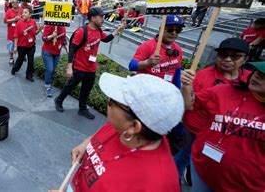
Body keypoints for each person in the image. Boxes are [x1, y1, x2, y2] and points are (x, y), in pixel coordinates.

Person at [67, 73, 183, 191]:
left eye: (112, 101)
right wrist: (87, 143)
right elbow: (106, 129)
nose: (108, 101)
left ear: (134, 126)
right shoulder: (124, 126)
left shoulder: (157, 184)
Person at [180, 61, 265, 191]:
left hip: (244, 186)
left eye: (264, 76)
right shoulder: (224, 90)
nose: (257, 76)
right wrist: (186, 86)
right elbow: (188, 104)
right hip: (202, 170)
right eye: (257, 72)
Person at [177, 38, 251, 185]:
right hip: (195, 129)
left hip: (227, 134)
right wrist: (186, 86)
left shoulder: (251, 79)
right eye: (223, 55)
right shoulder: (201, 76)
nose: (227, 59)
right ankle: (171, 179)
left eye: (235, 56)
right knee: (185, 155)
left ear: (245, 59)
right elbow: (187, 104)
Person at [54, 7, 125, 120]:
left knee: (86, 89)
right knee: (70, 85)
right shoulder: (82, 31)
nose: (103, 19)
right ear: (93, 18)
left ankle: (82, 109)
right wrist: (69, 67)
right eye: (101, 17)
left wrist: (117, 30)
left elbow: (106, 39)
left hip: (91, 67)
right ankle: (59, 100)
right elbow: (72, 49)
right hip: (79, 66)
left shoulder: (98, 30)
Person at [129, 14, 184, 88]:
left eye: (178, 30)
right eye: (170, 29)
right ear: (161, 29)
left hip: (165, 92)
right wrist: (147, 62)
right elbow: (132, 66)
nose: (174, 33)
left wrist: (178, 91)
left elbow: (177, 71)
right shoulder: (147, 45)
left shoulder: (178, 49)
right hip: (145, 88)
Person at [11, 7, 44, 82]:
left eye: (25, 12)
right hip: (21, 46)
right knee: (20, 59)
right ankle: (14, 69)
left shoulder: (33, 22)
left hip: (31, 45)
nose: (23, 14)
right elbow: (16, 35)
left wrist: (39, 29)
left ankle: (29, 75)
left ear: (30, 14)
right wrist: (15, 47)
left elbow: (34, 33)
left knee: (31, 60)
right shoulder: (19, 23)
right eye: (23, 12)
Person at [42, 24, 67, 97]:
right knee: (50, 69)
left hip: (57, 53)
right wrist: (52, 36)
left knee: (53, 70)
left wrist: (67, 49)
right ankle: (47, 86)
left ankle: (49, 81)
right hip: (47, 52)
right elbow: (44, 38)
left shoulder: (63, 27)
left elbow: (63, 39)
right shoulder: (49, 26)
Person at [4, 0, 22, 64]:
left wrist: (21, 19)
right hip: (11, 32)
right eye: (13, 2)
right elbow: (5, 21)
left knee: (21, 46)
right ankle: (11, 57)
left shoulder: (22, 10)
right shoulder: (9, 11)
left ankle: (22, 56)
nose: (15, 3)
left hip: (21, 33)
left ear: (19, 3)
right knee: (11, 47)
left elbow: (27, 19)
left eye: (16, 2)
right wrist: (14, 19)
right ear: (11, 3)